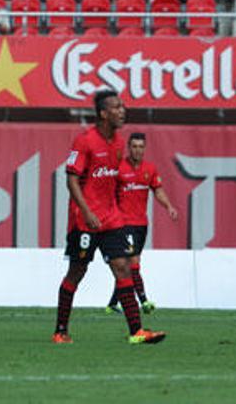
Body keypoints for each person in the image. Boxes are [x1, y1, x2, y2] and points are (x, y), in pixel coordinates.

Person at [52, 90, 166, 345]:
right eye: (116, 107)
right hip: (85, 220)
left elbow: (113, 181)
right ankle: (60, 330)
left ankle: (137, 331)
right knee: (77, 271)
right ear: (103, 113)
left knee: (123, 267)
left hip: (111, 219)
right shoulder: (84, 141)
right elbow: (71, 180)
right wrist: (87, 212)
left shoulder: (118, 143)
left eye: (123, 106)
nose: (122, 111)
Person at [106, 133, 178, 314]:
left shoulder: (150, 169)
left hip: (141, 224)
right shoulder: (119, 168)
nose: (137, 150)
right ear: (129, 148)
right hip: (123, 223)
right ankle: (144, 301)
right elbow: (108, 192)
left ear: (144, 149)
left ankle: (113, 303)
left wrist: (168, 206)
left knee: (128, 266)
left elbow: (158, 190)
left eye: (141, 146)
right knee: (134, 263)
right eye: (134, 146)